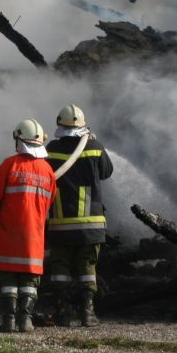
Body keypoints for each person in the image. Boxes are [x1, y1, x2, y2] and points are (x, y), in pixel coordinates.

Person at [0, 119, 57, 333]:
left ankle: (8, 321)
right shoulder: (48, 171)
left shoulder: (9, 165)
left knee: (8, 280)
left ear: (19, 140)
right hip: (34, 235)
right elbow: (48, 204)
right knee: (30, 280)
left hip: (8, 234)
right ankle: (25, 321)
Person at [44, 104, 113, 327]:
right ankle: (88, 313)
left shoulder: (51, 149)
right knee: (87, 267)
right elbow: (106, 172)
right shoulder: (94, 146)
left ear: (59, 124)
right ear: (83, 125)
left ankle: (62, 312)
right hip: (90, 224)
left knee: (60, 268)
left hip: (60, 223)